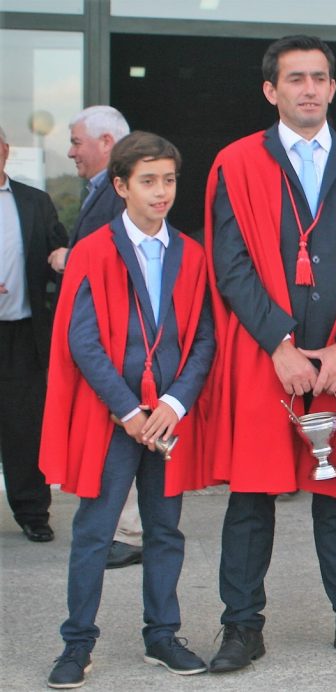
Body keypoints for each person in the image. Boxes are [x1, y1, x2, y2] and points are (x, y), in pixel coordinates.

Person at [204, 34, 336, 672]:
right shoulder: (237, 162)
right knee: (251, 495)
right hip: (267, 354)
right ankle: (241, 627)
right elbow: (230, 263)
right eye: (296, 78)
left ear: (333, 87)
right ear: (272, 90)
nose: (310, 89)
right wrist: (279, 344)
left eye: (319, 77)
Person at [39, 131, 215, 688]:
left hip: (166, 418)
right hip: (112, 417)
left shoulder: (192, 254)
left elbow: (204, 338)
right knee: (95, 531)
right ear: (120, 186)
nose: (161, 192)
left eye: (169, 180)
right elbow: (83, 341)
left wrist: (174, 402)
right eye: (148, 181)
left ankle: (161, 635)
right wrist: (127, 409)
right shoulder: (94, 251)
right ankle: (77, 643)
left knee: (165, 531)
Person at [53, 105, 144, 570]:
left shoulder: (120, 193)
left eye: (76, 142)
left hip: (117, 342)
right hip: (105, 340)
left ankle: (126, 532)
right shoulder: (102, 190)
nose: (71, 152)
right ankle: (119, 529)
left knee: (121, 430)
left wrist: (68, 259)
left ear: (107, 143)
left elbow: (117, 260)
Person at [0, 125, 68, 543]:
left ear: (5, 151)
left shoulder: (34, 202)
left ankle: (32, 513)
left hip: (23, 335)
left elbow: (58, 258)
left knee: (24, 428)